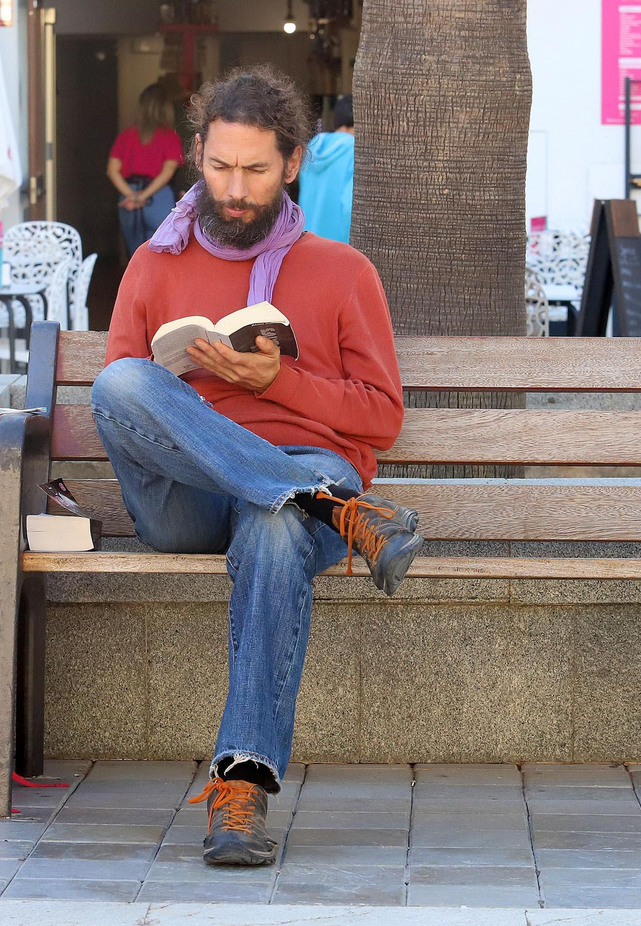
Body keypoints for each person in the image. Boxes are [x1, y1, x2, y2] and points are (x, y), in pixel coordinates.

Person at [95, 67, 424, 867]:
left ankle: (240, 789)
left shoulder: (344, 271)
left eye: (255, 170)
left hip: (303, 466)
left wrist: (275, 380)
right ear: (197, 153)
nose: (234, 189)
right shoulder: (154, 263)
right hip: (185, 500)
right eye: (218, 167)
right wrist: (191, 400)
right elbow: (117, 410)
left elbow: (381, 416)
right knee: (121, 379)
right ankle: (322, 505)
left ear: (294, 162)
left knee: (275, 531)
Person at [107, 83, 184, 254]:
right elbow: (168, 172)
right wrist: (144, 196)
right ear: (166, 108)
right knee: (160, 254)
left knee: (135, 254)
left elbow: (112, 170)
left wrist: (132, 196)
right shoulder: (170, 137)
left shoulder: (126, 136)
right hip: (159, 196)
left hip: (129, 197)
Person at [297, 94, 355, 242]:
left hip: (307, 239)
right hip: (339, 245)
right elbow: (350, 207)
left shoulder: (313, 145)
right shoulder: (353, 150)